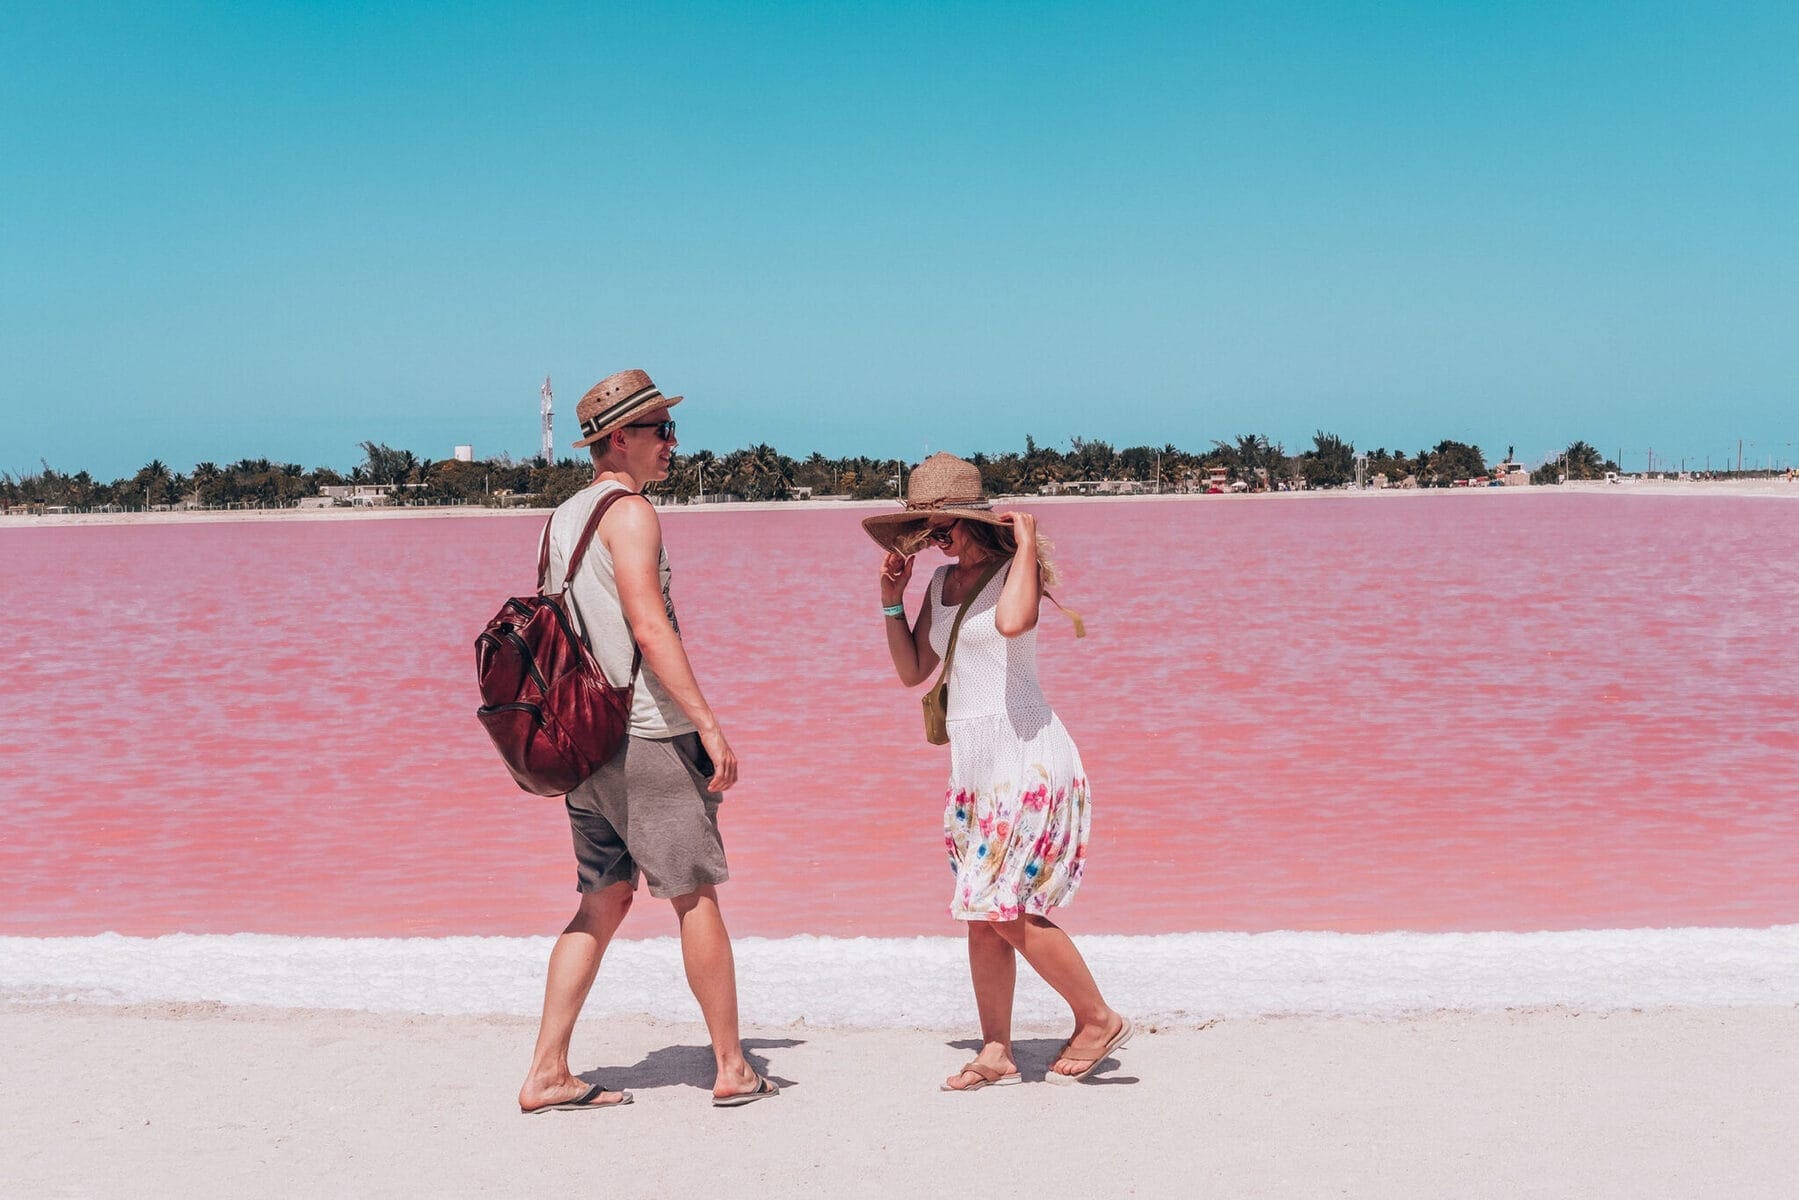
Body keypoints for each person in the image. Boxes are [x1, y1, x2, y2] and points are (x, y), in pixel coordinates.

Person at [517, 368, 776, 1113]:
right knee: (694, 895)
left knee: (601, 899)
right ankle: (731, 1066)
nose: (672, 443)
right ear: (619, 439)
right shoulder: (629, 512)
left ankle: (546, 1071)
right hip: (644, 735)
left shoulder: (562, 517)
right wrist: (710, 725)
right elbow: (647, 626)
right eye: (660, 430)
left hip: (583, 742)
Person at [864, 452, 1132, 1091]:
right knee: (980, 912)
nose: (937, 538)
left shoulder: (1017, 572)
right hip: (975, 767)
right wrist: (890, 601)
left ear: (974, 521)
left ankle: (1097, 1017)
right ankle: (996, 1050)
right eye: (928, 529)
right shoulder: (940, 585)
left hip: (1029, 757)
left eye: (945, 525)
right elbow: (912, 673)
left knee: (1002, 906)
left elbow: (1014, 624)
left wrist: (1029, 540)